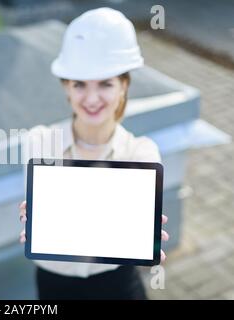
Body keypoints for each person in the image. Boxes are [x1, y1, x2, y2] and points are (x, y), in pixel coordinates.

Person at [18, 7, 169, 300]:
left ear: (124, 86)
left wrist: (140, 239)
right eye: (79, 85)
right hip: (55, 284)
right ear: (66, 88)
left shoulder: (141, 152)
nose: (91, 98)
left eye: (105, 84)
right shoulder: (39, 142)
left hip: (117, 284)